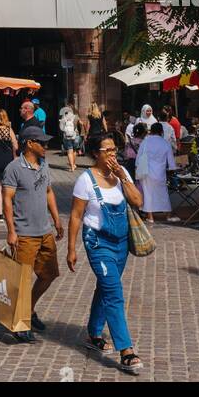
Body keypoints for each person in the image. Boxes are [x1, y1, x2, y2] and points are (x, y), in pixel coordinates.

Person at [67, 132, 144, 373]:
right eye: (107, 150)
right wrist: (71, 248)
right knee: (114, 291)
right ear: (95, 154)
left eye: (114, 149)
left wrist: (124, 177)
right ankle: (126, 350)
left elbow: (138, 202)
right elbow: (76, 215)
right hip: (97, 242)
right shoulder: (86, 180)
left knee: (106, 286)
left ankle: (92, 333)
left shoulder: (122, 174)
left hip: (121, 242)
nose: (113, 154)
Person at [1, 125, 63, 343]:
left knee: (49, 274)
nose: (46, 146)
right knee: (22, 280)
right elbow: (7, 199)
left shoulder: (44, 165)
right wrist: (11, 231)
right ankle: (19, 323)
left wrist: (56, 220)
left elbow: (49, 192)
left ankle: (29, 309)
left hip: (44, 231)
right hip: (24, 233)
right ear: (29, 144)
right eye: (42, 143)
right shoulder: (14, 168)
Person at [135, 121, 180, 223]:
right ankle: (168, 215)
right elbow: (171, 161)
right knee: (163, 193)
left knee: (148, 194)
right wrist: (173, 169)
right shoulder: (165, 143)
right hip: (160, 173)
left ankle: (150, 217)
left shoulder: (145, 142)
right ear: (161, 131)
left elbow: (138, 159)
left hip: (146, 172)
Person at [59, 99, 81, 173]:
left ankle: (72, 167)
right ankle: (74, 164)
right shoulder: (76, 117)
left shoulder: (64, 117)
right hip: (76, 135)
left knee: (69, 151)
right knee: (74, 150)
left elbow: (61, 128)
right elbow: (81, 124)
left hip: (67, 136)